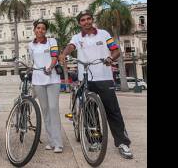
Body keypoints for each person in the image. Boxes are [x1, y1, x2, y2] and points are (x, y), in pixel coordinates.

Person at [58, 10, 133, 159]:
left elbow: (116, 50)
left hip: (104, 77)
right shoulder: (77, 37)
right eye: (83, 20)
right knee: (90, 112)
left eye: (88, 19)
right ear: (79, 23)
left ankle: (122, 143)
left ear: (92, 20)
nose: (86, 22)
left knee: (113, 111)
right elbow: (70, 47)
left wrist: (111, 59)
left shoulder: (103, 34)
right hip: (85, 79)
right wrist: (63, 54)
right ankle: (95, 140)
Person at [28, 19, 63, 153]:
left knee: (53, 108)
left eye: (43, 28)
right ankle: (51, 141)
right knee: (45, 110)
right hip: (38, 80)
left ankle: (58, 143)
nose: (40, 30)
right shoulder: (30, 45)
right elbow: (32, 61)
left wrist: (49, 68)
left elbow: (54, 56)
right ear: (34, 30)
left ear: (45, 30)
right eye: (38, 28)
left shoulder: (52, 41)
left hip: (52, 78)